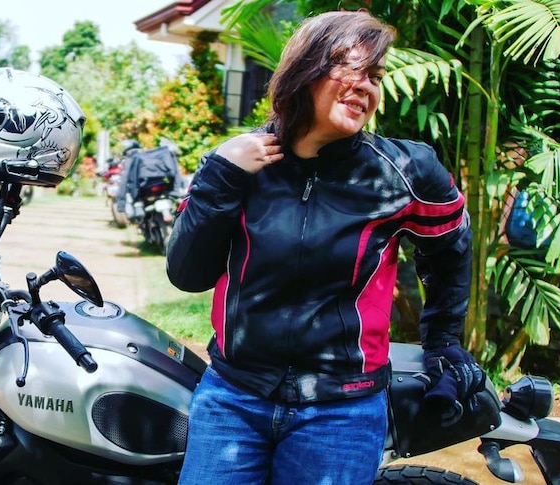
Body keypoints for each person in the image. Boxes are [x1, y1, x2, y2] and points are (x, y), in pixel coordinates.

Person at [166, 10, 485, 485]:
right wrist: (219, 176)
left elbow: (451, 250)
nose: (367, 87)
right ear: (305, 70)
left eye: (375, 77)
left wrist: (442, 343)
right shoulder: (241, 161)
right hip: (234, 398)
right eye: (353, 69)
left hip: (342, 412)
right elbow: (187, 275)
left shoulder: (404, 171)